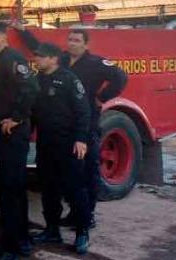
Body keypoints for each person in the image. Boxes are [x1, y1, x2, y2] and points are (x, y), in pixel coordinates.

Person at [13, 24, 127, 228]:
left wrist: (102, 97)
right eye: (70, 40)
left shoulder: (96, 63)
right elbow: (39, 47)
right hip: (63, 125)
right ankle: (71, 215)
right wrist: (22, 31)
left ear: (85, 44)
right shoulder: (62, 59)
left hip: (86, 121)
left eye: (77, 41)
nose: (72, 44)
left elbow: (120, 77)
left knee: (87, 170)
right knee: (64, 175)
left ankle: (87, 215)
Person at [0, 21, 39, 260]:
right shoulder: (3, 59)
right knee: (15, 187)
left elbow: (31, 87)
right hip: (9, 130)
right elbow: (9, 94)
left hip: (12, 132)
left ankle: (11, 247)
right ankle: (21, 239)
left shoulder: (11, 58)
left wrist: (17, 118)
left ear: (3, 36)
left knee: (10, 189)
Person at [30, 42, 91, 254]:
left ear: (53, 59)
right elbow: (32, 112)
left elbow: (83, 112)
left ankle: (82, 232)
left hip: (69, 145)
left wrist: (81, 139)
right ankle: (52, 229)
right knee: (49, 189)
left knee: (74, 189)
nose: (36, 59)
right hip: (46, 144)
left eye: (40, 56)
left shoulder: (69, 80)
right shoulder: (37, 80)